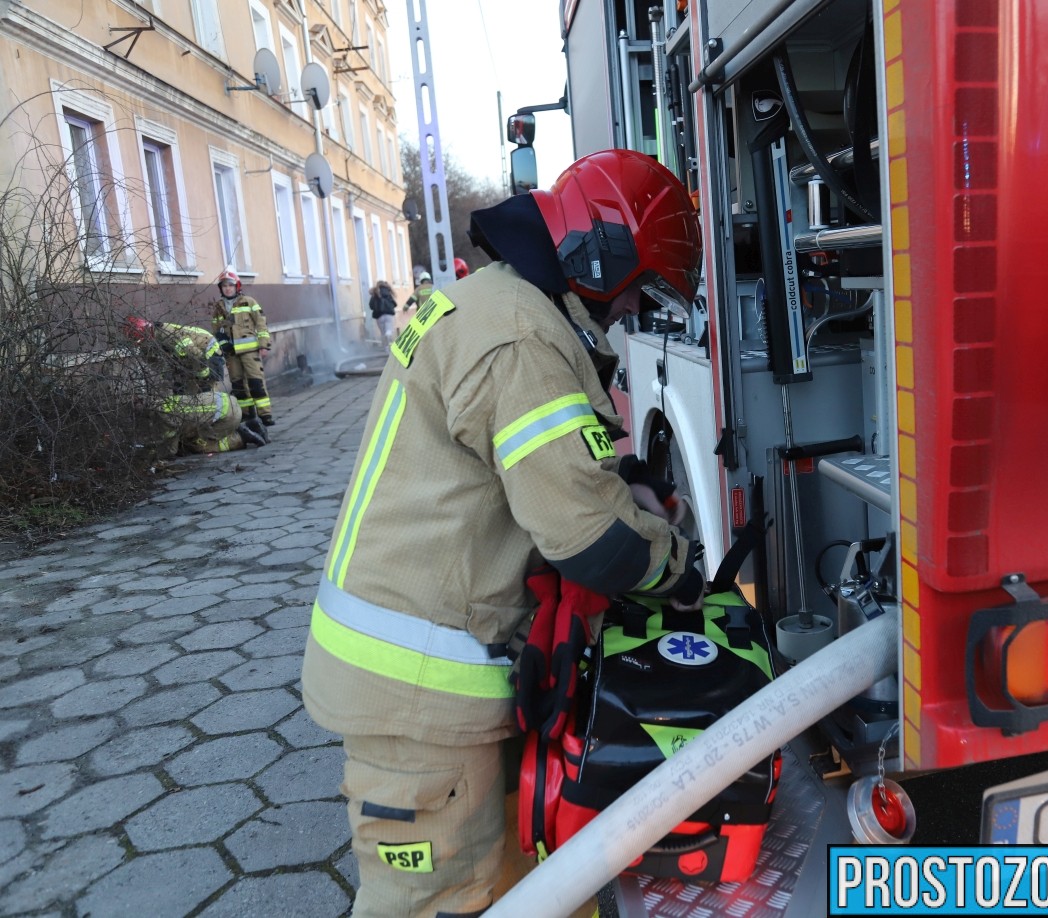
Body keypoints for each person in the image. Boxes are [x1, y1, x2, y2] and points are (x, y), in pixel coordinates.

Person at [301, 149, 704, 918]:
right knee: (450, 901)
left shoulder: (496, 303)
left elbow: (521, 471)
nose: (628, 314)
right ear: (601, 255)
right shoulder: (521, 337)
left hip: (431, 680)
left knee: (528, 890)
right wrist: (677, 572)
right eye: (634, 292)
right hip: (422, 699)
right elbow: (588, 539)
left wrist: (623, 484)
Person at [122, 316, 267, 454]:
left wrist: (202, 378)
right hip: (189, 365)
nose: (140, 345)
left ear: (146, 333)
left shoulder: (169, 336)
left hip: (208, 357)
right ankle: (239, 427)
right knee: (195, 404)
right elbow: (159, 366)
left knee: (201, 401)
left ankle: (234, 436)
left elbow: (194, 356)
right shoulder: (150, 342)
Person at [210, 270, 276, 426]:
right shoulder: (218, 307)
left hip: (250, 351)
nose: (227, 288)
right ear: (221, 288)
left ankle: (265, 415)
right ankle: (247, 414)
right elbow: (216, 329)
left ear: (236, 286)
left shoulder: (248, 302)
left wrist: (264, 345)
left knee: (256, 383)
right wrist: (221, 343)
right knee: (238, 385)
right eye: (224, 286)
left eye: (230, 285)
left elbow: (261, 324)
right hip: (231, 353)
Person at [369, 279, 398, 344]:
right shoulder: (389, 293)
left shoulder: (375, 294)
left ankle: (386, 349)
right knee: (389, 329)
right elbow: (395, 304)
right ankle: (389, 337)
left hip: (379, 316)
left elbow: (371, 306)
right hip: (389, 315)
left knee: (382, 332)